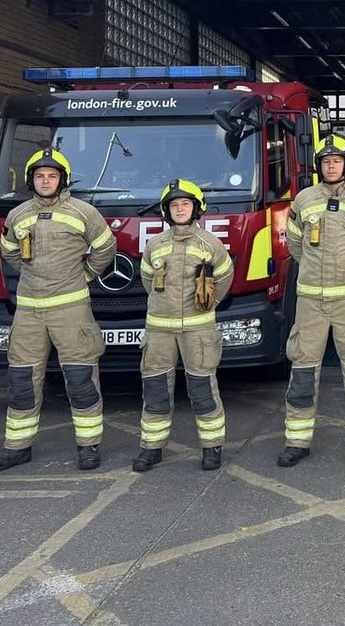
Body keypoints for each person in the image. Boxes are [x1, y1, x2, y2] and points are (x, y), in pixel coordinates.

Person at [0, 148, 117, 473]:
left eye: (52, 176)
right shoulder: (18, 215)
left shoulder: (83, 212)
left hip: (71, 310)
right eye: (40, 176)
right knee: (22, 381)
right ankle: (17, 448)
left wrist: (83, 276)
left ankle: (89, 447)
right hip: (29, 312)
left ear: (62, 180)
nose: (46, 180)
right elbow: (10, 252)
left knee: (80, 378)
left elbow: (106, 249)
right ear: (32, 180)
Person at [278, 135, 345, 467]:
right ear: (319, 166)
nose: (331, 165)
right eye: (326, 161)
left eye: (337, 161)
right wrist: (311, 270)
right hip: (310, 300)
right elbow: (295, 245)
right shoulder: (304, 200)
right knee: (303, 372)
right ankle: (297, 441)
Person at [132, 179, 235, 473]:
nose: (179, 209)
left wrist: (208, 305)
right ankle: (151, 448)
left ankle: (211, 448)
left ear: (196, 208)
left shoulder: (210, 244)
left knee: (202, 389)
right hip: (159, 330)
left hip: (198, 330)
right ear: (167, 211)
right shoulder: (155, 245)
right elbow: (149, 282)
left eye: (185, 204)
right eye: (174, 205)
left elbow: (225, 279)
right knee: (155, 390)